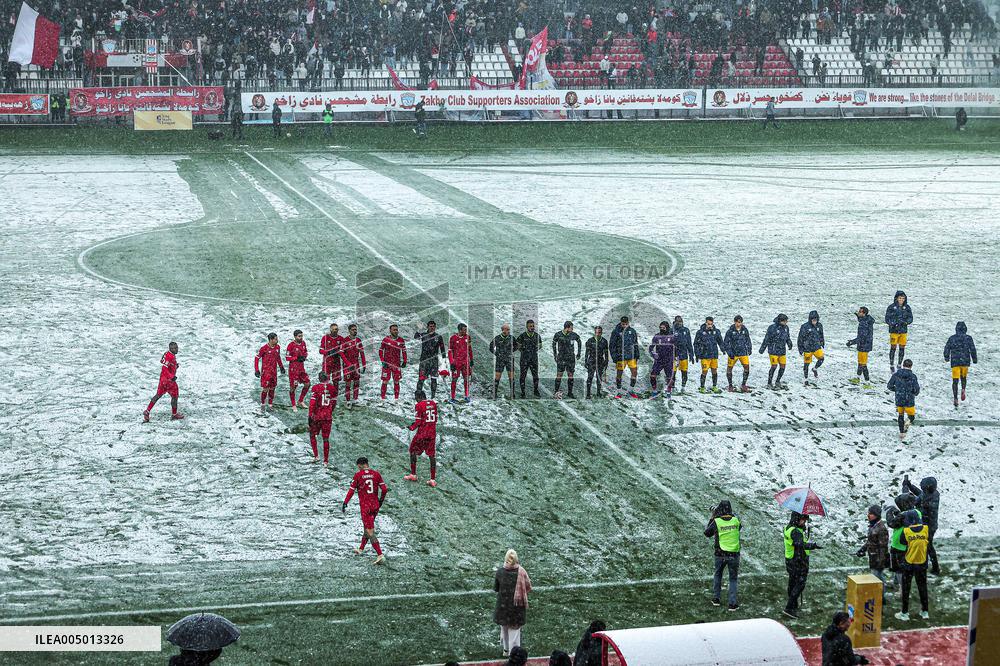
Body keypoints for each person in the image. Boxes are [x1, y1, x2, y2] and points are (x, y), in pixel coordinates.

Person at [342, 456, 388, 565]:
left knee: (369, 531)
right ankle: (361, 548)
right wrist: (380, 501)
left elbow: (351, 491)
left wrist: (345, 502)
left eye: (358, 467)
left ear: (360, 465)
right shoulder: (376, 474)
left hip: (365, 507)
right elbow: (385, 489)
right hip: (375, 505)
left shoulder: (358, 475)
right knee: (367, 526)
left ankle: (380, 555)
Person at [705, 500, 741, 610]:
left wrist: (713, 517)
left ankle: (716, 598)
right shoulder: (735, 520)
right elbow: (739, 527)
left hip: (720, 554)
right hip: (734, 554)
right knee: (733, 579)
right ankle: (732, 604)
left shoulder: (717, 521)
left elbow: (707, 533)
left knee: (718, 575)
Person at [494, 549, 532, 657]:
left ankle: (506, 650)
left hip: (502, 607)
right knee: (514, 633)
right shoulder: (522, 572)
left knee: (504, 629)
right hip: (517, 609)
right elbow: (528, 587)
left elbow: (496, 588)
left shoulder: (500, 572)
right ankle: (514, 655)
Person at [783, 511, 820, 618]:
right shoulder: (796, 532)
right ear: (796, 519)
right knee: (800, 584)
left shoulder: (789, 528)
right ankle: (789, 608)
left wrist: (803, 528)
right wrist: (812, 546)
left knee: (792, 583)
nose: (804, 521)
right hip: (798, 561)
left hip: (791, 560)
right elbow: (800, 544)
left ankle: (793, 605)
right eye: (802, 519)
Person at [895, 509, 930, 621]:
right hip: (922, 563)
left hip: (909, 563)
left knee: (906, 589)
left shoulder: (906, 531)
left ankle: (905, 613)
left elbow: (902, 542)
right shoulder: (925, 529)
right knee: (922, 587)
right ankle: (925, 611)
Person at [903, 476, 940, 575]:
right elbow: (920, 494)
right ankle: (931, 566)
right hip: (927, 524)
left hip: (929, 526)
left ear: (928, 487)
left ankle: (932, 567)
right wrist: (910, 486)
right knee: (926, 546)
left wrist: (908, 494)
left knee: (927, 546)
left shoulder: (933, 497)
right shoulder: (930, 494)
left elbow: (918, 501)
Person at [885, 491, 920, 590]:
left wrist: (889, 512)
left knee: (899, 568)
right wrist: (899, 513)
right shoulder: (916, 512)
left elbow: (892, 523)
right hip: (909, 544)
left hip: (899, 545)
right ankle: (896, 583)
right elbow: (905, 520)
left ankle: (903, 589)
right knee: (900, 567)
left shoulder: (904, 515)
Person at [405, 389, 439, 487]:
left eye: (416, 398)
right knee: (432, 455)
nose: (416, 400)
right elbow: (435, 419)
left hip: (422, 434)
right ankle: (432, 479)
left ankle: (413, 474)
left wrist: (411, 427)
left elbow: (418, 422)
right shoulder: (433, 404)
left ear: (419, 397)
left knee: (412, 451)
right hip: (432, 433)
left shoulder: (419, 405)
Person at [143, 341, 184, 421]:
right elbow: (164, 368)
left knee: (158, 395)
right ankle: (174, 414)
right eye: (174, 348)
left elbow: (163, 362)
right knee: (175, 396)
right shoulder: (170, 357)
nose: (176, 349)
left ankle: (147, 411)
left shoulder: (167, 354)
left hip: (162, 380)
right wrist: (171, 376)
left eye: (176, 347)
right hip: (169, 381)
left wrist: (175, 366)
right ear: (170, 349)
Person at [855, 504, 890, 590]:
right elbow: (870, 541)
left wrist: (880, 562)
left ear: (877, 515)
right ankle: (880, 596)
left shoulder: (881, 528)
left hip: (878, 559)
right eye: (868, 513)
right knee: (878, 577)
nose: (868, 515)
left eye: (871, 513)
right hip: (874, 557)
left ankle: (881, 597)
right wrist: (863, 549)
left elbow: (883, 547)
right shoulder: (873, 526)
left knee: (876, 579)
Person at [943, 321, 977, 408]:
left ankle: (955, 398)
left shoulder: (952, 338)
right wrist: (974, 359)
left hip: (955, 362)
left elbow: (947, 348)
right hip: (965, 361)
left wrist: (946, 357)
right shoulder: (968, 338)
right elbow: (973, 349)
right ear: (965, 329)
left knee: (955, 381)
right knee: (963, 377)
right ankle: (963, 389)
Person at [308, 371, 337, 464]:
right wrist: (329, 411)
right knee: (325, 439)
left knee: (312, 435)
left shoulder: (316, 388)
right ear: (328, 378)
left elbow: (312, 403)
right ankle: (326, 461)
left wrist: (310, 415)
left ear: (319, 378)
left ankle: (316, 456)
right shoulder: (332, 388)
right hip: (327, 417)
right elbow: (334, 403)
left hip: (317, 417)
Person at [888, 359, 919, 440]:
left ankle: (901, 433)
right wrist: (914, 393)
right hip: (909, 400)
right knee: (911, 416)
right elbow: (916, 390)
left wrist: (897, 390)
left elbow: (889, 386)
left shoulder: (896, 375)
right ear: (911, 366)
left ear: (903, 365)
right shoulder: (913, 376)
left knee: (900, 415)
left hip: (899, 398)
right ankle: (907, 423)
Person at [414, 320, 446, 399]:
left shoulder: (438, 337)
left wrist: (444, 361)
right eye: (430, 326)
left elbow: (442, 349)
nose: (432, 328)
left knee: (434, 379)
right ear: (428, 327)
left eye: (433, 326)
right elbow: (416, 337)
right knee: (421, 378)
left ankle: (433, 396)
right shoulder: (424, 335)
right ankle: (418, 395)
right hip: (424, 361)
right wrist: (419, 329)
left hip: (434, 361)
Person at [254, 333, 286, 411]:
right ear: (271, 340)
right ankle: (262, 404)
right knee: (265, 389)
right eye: (275, 339)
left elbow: (278, 357)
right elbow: (257, 358)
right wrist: (257, 370)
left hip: (274, 372)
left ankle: (270, 404)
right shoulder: (264, 348)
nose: (277, 340)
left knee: (273, 388)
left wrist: (281, 367)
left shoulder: (278, 347)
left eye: (277, 338)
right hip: (266, 372)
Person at [760, 314, 793, 389]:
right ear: (781, 321)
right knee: (774, 366)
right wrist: (762, 348)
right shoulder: (772, 328)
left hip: (782, 350)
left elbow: (787, 337)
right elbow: (767, 339)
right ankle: (769, 382)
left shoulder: (786, 328)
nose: (786, 322)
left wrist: (789, 343)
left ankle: (778, 381)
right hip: (773, 350)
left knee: (783, 366)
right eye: (785, 321)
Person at [609, 316, 640, 394]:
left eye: (626, 324)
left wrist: (637, 354)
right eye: (623, 324)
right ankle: (618, 390)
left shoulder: (632, 331)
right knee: (619, 373)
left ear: (628, 323)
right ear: (620, 323)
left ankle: (631, 390)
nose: (624, 325)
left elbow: (635, 343)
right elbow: (612, 345)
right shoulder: (616, 332)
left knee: (634, 372)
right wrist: (614, 357)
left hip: (631, 356)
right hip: (620, 357)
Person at [694, 317, 725, 394]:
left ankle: (714, 386)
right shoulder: (700, 332)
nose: (710, 325)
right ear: (705, 323)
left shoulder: (716, 331)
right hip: (704, 355)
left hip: (714, 355)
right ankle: (702, 387)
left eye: (711, 324)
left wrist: (723, 349)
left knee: (714, 370)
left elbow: (720, 341)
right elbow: (695, 344)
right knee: (705, 371)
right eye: (708, 324)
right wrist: (697, 354)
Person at [553, 321, 583, 397]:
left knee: (570, 375)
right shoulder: (558, 335)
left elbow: (579, 341)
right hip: (561, 358)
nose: (572, 330)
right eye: (571, 328)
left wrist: (579, 353)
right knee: (559, 375)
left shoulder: (573, 335)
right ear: (567, 328)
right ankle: (556, 392)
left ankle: (570, 393)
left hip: (571, 358)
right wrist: (555, 354)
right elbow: (553, 343)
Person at [847, 307, 875, 387]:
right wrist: (858, 316)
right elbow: (861, 320)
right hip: (863, 345)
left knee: (863, 364)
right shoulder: (865, 319)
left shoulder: (864, 323)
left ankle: (867, 382)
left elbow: (862, 337)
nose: (858, 312)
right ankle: (857, 378)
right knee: (860, 363)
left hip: (864, 345)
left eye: (860, 312)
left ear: (864, 313)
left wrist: (852, 342)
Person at [885, 291, 913, 372]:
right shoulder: (891, 307)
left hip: (903, 331)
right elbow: (887, 319)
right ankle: (891, 364)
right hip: (894, 331)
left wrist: (906, 322)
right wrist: (893, 323)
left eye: (903, 298)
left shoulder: (907, 307)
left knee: (902, 348)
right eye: (900, 298)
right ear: (896, 298)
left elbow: (910, 318)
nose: (901, 300)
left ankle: (899, 364)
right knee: (893, 348)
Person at [723, 315, 752, 393]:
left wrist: (749, 348)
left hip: (743, 352)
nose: (739, 324)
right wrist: (729, 352)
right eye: (738, 322)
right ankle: (730, 385)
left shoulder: (745, 330)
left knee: (747, 368)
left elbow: (748, 340)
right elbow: (725, 343)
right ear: (735, 322)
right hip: (733, 353)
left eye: (740, 322)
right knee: (729, 369)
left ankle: (743, 384)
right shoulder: (730, 331)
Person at [378, 324, 407, 400]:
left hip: (396, 364)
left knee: (396, 381)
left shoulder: (401, 340)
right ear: (390, 330)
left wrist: (405, 361)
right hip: (386, 364)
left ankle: (396, 399)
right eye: (394, 330)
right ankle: (382, 398)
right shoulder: (386, 339)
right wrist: (382, 361)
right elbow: (380, 350)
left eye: (396, 330)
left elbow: (404, 351)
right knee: (385, 381)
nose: (396, 331)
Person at [648, 321, 676, 398]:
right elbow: (650, 348)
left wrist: (677, 358)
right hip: (659, 360)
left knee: (669, 377)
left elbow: (677, 349)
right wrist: (653, 354)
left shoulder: (672, 337)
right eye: (660, 328)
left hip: (668, 360)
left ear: (667, 328)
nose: (662, 329)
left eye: (663, 328)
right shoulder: (657, 336)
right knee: (652, 376)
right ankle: (654, 391)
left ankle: (669, 392)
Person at [340, 323, 366, 407]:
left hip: (356, 365)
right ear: (349, 331)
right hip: (347, 366)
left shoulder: (358, 340)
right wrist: (348, 364)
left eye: (356, 329)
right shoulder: (345, 340)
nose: (355, 331)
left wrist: (364, 364)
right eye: (353, 330)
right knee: (348, 384)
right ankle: (347, 401)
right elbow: (341, 353)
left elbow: (362, 353)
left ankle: (355, 400)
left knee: (356, 382)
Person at [285, 329, 310, 411]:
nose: (301, 337)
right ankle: (293, 404)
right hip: (293, 370)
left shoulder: (303, 343)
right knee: (293, 387)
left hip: (301, 369)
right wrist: (296, 358)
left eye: (302, 336)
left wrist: (304, 357)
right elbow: (287, 357)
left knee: (307, 384)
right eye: (299, 336)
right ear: (295, 337)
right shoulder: (290, 345)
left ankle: (300, 401)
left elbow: (305, 352)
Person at [490, 324, 518, 399]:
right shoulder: (497, 338)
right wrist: (497, 354)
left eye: (509, 329)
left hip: (509, 359)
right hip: (500, 360)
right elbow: (491, 347)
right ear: (503, 330)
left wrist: (511, 352)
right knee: (497, 376)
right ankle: (494, 394)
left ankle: (512, 394)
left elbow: (516, 346)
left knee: (511, 376)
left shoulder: (512, 338)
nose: (508, 331)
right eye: (507, 329)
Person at [516, 320, 542, 398]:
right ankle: (523, 392)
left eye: (533, 326)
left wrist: (533, 350)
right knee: (523, 376)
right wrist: (525, 351)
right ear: (527, 327)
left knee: (535, 375)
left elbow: (540, 345)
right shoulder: (522, 336)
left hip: (534, 359)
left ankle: (536, 390)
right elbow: (517, 346)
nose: (532, 328)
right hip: (524, 359)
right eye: (530, 326)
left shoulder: (537, 336)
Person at [798, 311, 825, 384]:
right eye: (813, 319)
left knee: (822, 359)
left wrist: (822, 342)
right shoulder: (804, 326)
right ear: (810, 319)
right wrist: (800, 349)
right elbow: (800, 338)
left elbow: (821, 335)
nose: (814, 321)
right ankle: (806, 378)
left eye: (816, 319)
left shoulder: (819, 325)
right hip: (807, 349)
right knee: (806, 364)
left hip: (817, 347)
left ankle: (815, 369)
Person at [449, 323, 474, 404]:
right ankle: (452, 397)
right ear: (459, 330)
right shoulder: (453, 338)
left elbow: (470, 349)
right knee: (454, 379)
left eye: (466, 330)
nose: (466, 331)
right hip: (456, 363)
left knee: (466, 379)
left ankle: (467, 396)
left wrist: (471, 360)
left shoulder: (468, 337)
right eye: (464, 330)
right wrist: (452, 362)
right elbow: (450, 351)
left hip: (465, 362)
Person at [319, 323, 345, 396]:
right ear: (330, 329)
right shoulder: (325, 338)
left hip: (336, 363)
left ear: (338, 330)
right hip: (327, 363)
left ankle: (334, 397)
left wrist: (338, 352)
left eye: (336, 329)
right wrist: (328, 352)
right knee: (325, 380)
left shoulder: (341, 339)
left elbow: (343, 351)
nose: (334, 330)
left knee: (336, 381)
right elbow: (320, 351)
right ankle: (324, 396)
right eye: (333, 329)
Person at [584, 326, 610, 399]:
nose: (597, 334)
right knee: (590, 378)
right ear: (594, 332)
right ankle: (588, 394)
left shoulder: (604, 341)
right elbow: (587, 352)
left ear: (601, 333)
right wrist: (585, 361)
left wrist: (606, 362)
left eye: (599, 333)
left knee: (599, 378)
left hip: (600, 362)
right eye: (596, 332)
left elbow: (606, 353)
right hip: (591, 361)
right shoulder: (590, 340)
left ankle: (598, 393)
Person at [672, 316, 695, 394]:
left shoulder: (686, 330)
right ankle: (673, 387)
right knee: (673, 373)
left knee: (684, 372)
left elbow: (689, 343)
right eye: (677, 321)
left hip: (684, 355)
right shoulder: (671, 330)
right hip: (674, 355)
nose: (679, 323)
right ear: (674, 322)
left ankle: (683, 387)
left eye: (680, 321)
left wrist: (691, 354)